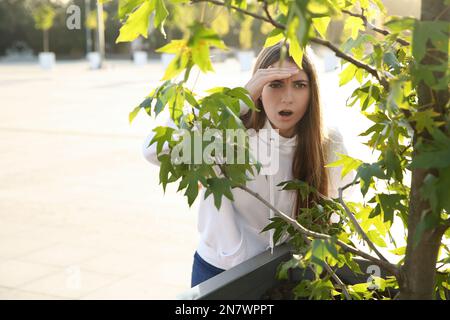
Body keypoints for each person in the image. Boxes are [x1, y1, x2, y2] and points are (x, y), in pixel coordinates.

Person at [142, 41, 354, 288]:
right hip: (220, 272)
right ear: (257, 89)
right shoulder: (229, 132)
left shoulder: (327, 142)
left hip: (291, 273)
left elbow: (342, 207)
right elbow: (154, 151)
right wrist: (237, 101)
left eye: (299, 85)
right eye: (274, 84)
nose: (287, 97)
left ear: (312, 91)